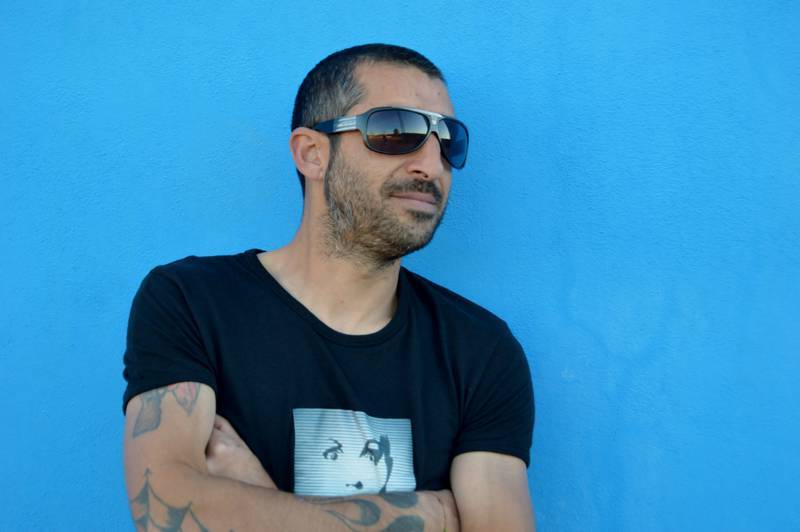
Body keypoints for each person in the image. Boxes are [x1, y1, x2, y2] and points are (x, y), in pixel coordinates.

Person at [122, 43, 535, 531]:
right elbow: (166, 511)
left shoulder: (480, 350)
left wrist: (259, 499)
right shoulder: (193, 302)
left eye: (449, 141)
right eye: (396, 132)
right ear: (312, 153)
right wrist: (434, 517)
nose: (430, 164)